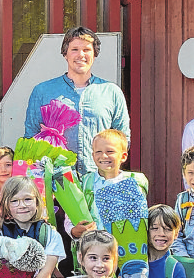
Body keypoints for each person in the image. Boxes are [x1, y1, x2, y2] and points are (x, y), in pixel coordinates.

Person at [24, 26, 130, 177]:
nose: (81, 55)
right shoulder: (43, 92)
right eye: (74, 49)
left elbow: (123, 138)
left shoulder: (111, 92)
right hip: (56, 181)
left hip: (99, 179)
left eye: (87, 50)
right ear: (65, 54)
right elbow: (30, 137)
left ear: (94, 54)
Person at [68, 129, 149, 240]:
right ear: (93, 155)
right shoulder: (84, 183)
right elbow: (70, 215)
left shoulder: (135, 182)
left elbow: (141, 215)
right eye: (98, 152)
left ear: (123, 156)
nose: (104, 156)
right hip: (93, 249)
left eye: (110, 151)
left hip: (127, 248)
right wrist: (73, 231)